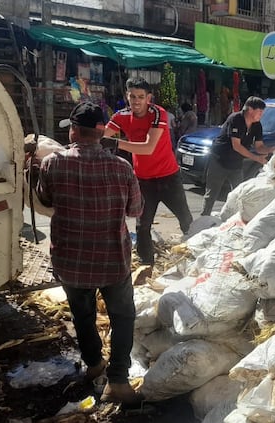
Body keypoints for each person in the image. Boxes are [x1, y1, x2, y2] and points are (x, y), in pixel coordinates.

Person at [36, 102, 143, 404]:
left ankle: (95, 365)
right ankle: (118, 381)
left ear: (72, 131)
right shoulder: (122, 167)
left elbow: (45, 199)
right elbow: (135, 210)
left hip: (71, 263)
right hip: (113, 261)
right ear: (101, 133)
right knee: (123, 317)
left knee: (83, 316)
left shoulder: (53, 164)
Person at [103, 76, 193, 265]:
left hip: (169, 177)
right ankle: (146, 266)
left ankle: (196, 255)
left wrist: (116, 143)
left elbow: (148, 147)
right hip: (143, 181)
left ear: (148, 97)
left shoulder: (158, 113)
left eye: (141, 97)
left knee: (186, 219)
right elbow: (102, 135)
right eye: (133, 96)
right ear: (127, 96)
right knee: (143, 226)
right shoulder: (121, 116)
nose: (137, 101)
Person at [202, 96, 273, 216]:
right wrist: (256, 158)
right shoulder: (235, 119)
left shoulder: (257, 125)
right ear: (250, 109)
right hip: (219, 160)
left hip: (236, 164)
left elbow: (259, 146)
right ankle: (204, 218)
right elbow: (237, 146)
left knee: (239, 192)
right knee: (212, 193)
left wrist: (272, 150)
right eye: (260, 112)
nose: (261, 115)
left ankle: (235, 218)